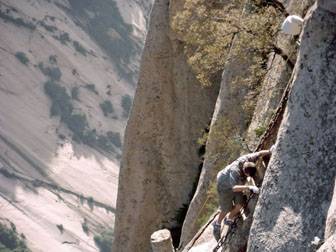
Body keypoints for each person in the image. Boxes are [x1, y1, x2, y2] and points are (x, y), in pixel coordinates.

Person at [212, 147, 274, 241]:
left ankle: (229, 218)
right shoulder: (235, 171)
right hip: (224, 184)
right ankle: (217, 223)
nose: (247, 177)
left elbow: (259, 153)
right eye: (247, 176)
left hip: (237, 183)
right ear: (244, 172)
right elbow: (234, 188)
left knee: (240, 204)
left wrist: (270, 151)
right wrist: (249, 187)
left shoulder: (249, 159)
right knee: (226, 208)